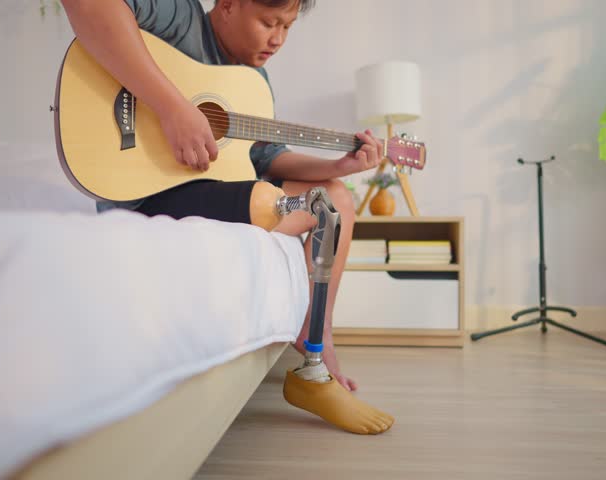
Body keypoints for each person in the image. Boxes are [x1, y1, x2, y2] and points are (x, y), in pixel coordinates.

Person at [61, 0, 394, 434]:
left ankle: (317, 340)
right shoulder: (177, 17)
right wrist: (172, 108)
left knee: (336, 200)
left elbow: (268, 158)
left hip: (211, 193)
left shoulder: (254, 81)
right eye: (269, 22)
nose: (278, 38)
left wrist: (338, 168)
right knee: (268, 200)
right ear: (229, 5)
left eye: (287, 27)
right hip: (143, 196)